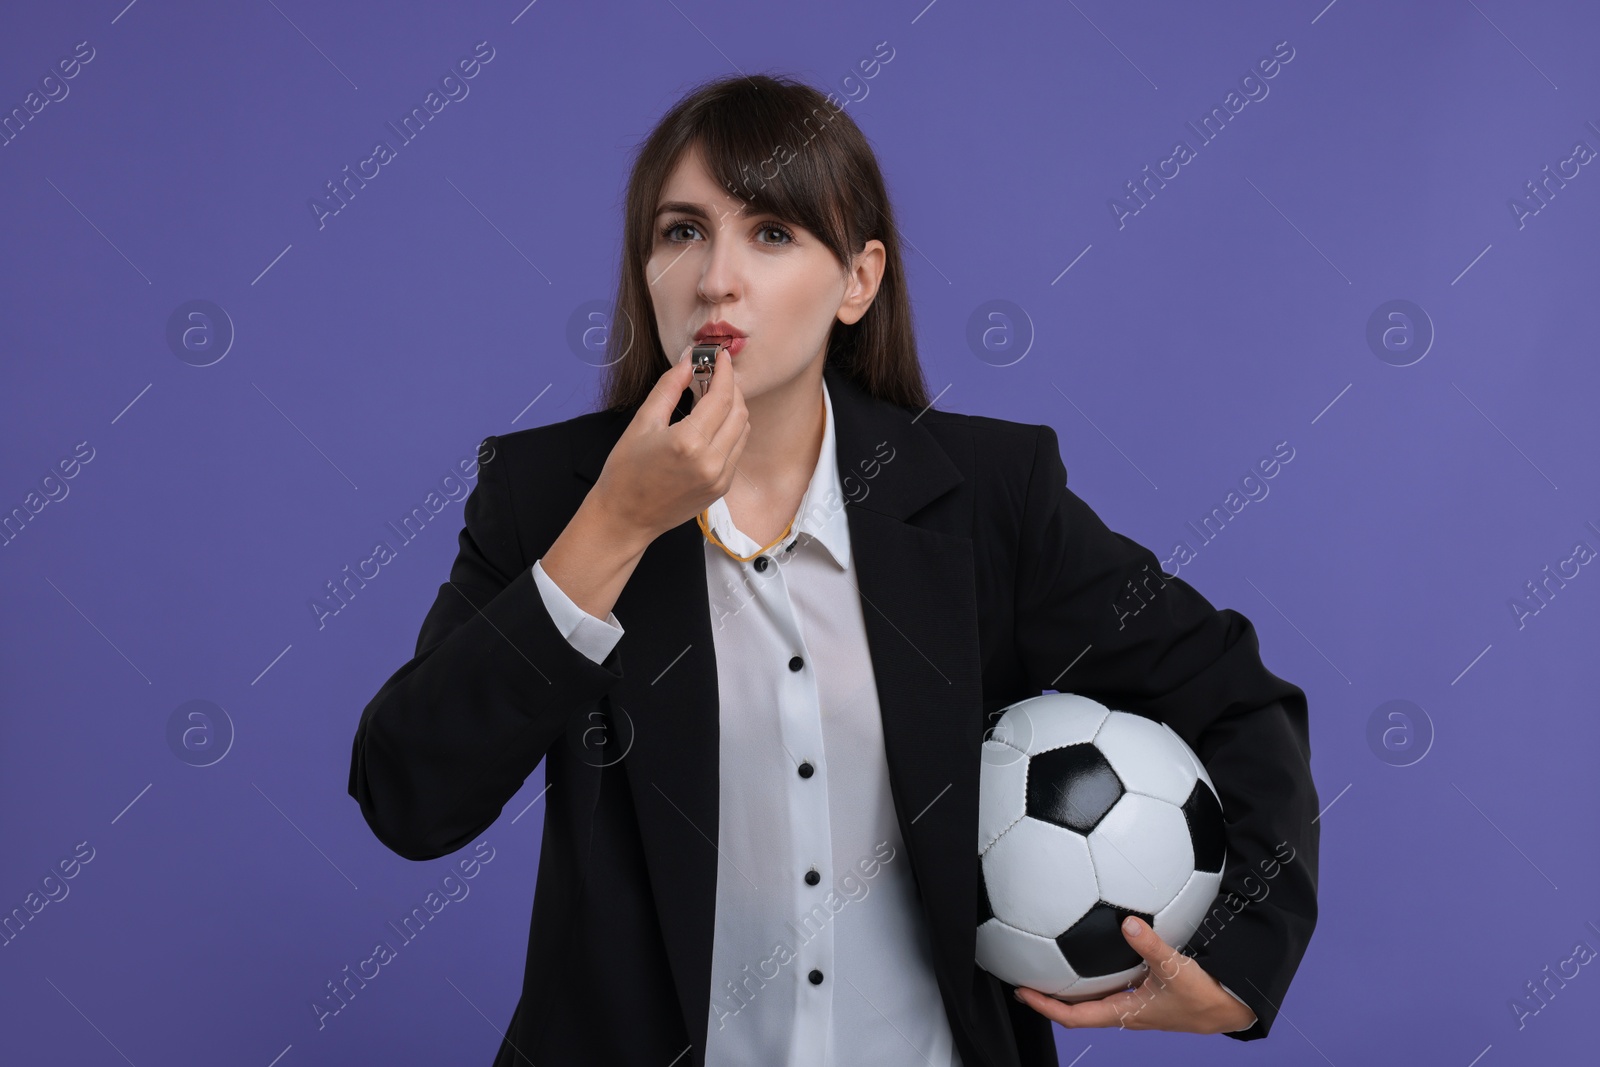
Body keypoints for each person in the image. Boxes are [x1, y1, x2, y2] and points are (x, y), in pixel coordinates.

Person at [347, 74, 1318, 1067]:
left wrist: (1237, 966)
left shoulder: (987, 496)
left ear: (858, 280)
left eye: (770, 233)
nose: (716, 278)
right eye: (681, 231)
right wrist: (611, 528)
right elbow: (410, 797)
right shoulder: (549, 494)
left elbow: (1236, 696)